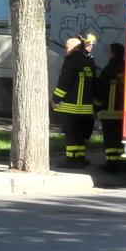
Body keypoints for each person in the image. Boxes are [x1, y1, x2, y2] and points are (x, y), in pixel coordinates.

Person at [53, 35, 96, 168]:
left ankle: (71, 160)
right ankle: (80, 158)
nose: (65, 50)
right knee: (81, 135)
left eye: (66, 47)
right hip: (86, 108)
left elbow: (64, 83)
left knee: (71, 134)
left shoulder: (70, 61)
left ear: (73, 47)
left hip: (70, 107)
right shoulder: (89, 61)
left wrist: (55, 99)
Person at [94, 42, 126, 172]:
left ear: (112, 53)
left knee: (110, 139)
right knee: (120, 138)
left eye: (109, 51)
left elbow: (101, 89)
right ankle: (122, 162)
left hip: (110, 111)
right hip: (124, 112)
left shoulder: (108, 69)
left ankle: (111, 164)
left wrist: (96, 106)